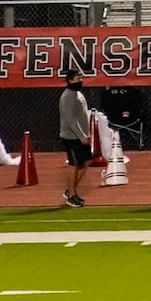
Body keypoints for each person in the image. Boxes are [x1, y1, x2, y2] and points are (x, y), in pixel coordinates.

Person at [59, 72, 95, 207]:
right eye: (78, 78)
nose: (81, 80)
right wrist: (80, 135)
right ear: (70, 80)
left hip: (80, 135)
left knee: (87, 160)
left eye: (82, 78)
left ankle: (70, 190)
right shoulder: (67, 96)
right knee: (73, 164)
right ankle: (72, 195)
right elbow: (70, 119)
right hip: (71, 137)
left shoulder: (77, 94)